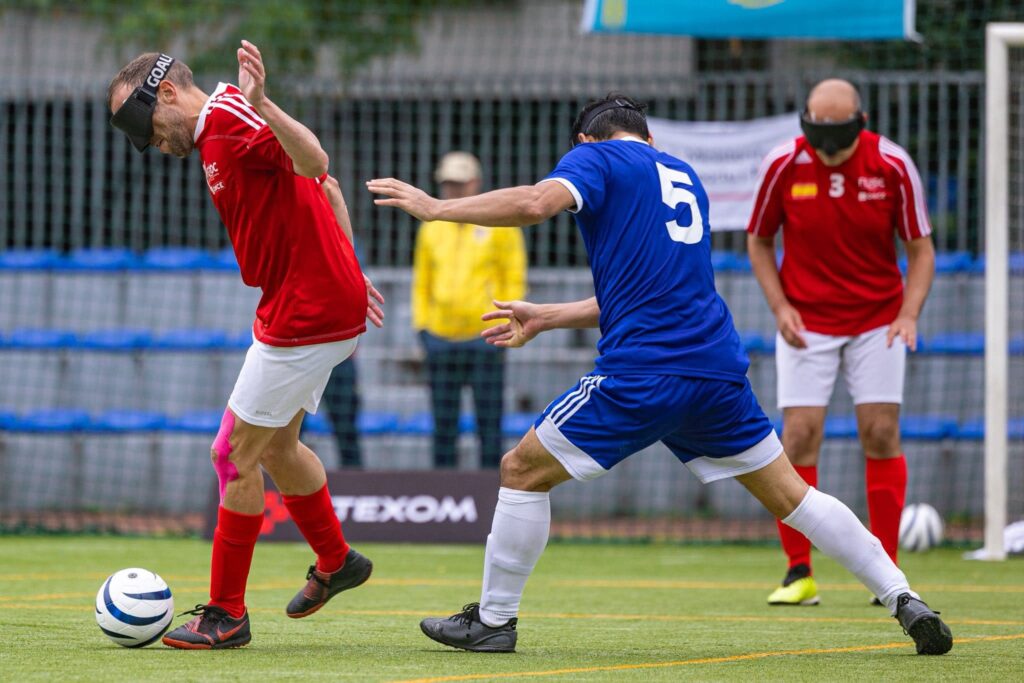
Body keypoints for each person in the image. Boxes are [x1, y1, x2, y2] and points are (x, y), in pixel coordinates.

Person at [367, 94, 952, 656]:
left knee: (520, 469)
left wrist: (437, 208)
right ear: (650, 137)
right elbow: (650, 289)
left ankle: (493, 621)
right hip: (716, 372)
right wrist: (548, 316)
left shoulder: (594, 156)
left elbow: (533, 204)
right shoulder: (681, 174)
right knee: (795, 497)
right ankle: (904, 597)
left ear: (584, 139)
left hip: (644, 370)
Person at [107, 44, 385, 649]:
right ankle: (338, 562)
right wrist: (350, 270)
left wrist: (265, 102)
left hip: (305, 311)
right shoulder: (217, 133)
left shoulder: (234, 118)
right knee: (280, 448)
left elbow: (315, 161)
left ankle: (226, 616)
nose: (152, 143)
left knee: (231, 454)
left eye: (146, 127)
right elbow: (329, 193)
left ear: (171, 94)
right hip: (306, 302)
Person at [747, 79, 935, 607]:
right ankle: (798, 572)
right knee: (799, 437)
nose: (827, 138)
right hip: (806, 323)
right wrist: (781, 307)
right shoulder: (783, 164)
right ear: (806, 119)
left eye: (839, 126)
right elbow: (759, 242)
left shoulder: (892, 165)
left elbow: (920, 249)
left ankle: (888, 574)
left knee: (880, 431)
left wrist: (908, 314)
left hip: (879, 321)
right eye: (817, 125)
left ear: (861, 119)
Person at [411, 152, 527, 468]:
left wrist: (505, 323)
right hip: (440, 337)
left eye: (459, 184)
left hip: (485, 338)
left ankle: (492, 493)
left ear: (475, 183)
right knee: (442, 426)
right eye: (448, 184)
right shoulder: (431, 227)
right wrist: (422, 326)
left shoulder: (502, 223)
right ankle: (443, 498)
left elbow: (513, 277)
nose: (453, 190)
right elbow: (422, 281)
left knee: (489, 425)